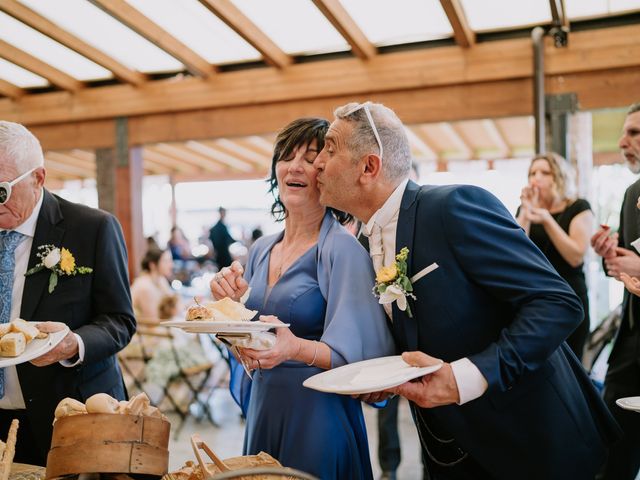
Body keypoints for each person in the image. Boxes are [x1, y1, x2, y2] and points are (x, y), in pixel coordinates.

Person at [313, 101, 620, 480]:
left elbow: (556, 303)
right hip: (450, 453)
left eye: (329, 148)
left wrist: (466, 377)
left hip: (531, 443)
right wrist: (383, 381)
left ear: (369, 167)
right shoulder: (364, 244)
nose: (317, 164)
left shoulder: (451, 207)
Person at [209, 117, 394, 479]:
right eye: (285, 156)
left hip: (318, 415)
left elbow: (361, 357)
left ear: (326, 173)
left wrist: (296, 349)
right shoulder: (261, 248)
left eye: (309, 159)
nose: (294, 166)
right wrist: (224, 310)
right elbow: (250, 338)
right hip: (264, 406)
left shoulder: (343, 251)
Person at [0, 121, 135, 465]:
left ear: (38, 178)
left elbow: (119, 321)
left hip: (70, 414)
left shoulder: (92, 228)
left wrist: (74, 343)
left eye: (1, 191)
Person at [591, 102, 640, 480]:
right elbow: (626, 264)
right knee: (612, 451)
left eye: (634, 133)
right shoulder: (631, 194)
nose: (623, 141)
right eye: (625, 133)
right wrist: (612, 256)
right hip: (630, 340)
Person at [516, 152, 594, 359]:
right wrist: (525, 211)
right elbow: (516, 252)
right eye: (533, 173)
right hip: (536, 299)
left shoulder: (578, 207)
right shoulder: (526, 211)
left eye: (545, 172)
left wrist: (547, 220)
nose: (537, 178)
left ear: (559, 177)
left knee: (572, 363)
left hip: (570, 295)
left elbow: (576, 255)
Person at [130, 247, 178, 320]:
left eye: (170, 261)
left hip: (160, 326)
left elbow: (173, 305)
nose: (171, 265)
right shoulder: (144, 286)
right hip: (147, 330)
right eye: (166, 261)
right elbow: (152, 323)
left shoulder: (161, 280)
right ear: (152, 265)